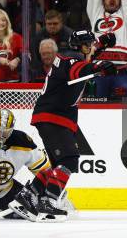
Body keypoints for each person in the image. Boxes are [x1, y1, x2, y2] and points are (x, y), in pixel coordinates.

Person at [9, 30, 117, 222]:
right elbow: (81, 69)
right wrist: (100, 66)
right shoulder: (72, 59)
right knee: (69, 160)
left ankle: (28, 196)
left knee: (58, 164)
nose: (93, 47)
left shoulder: (71, 55)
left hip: (51, 116)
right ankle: (48, 202)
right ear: (83, 47)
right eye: (91, 44)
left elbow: (87, 58)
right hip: (54, 117)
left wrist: (103, 44)